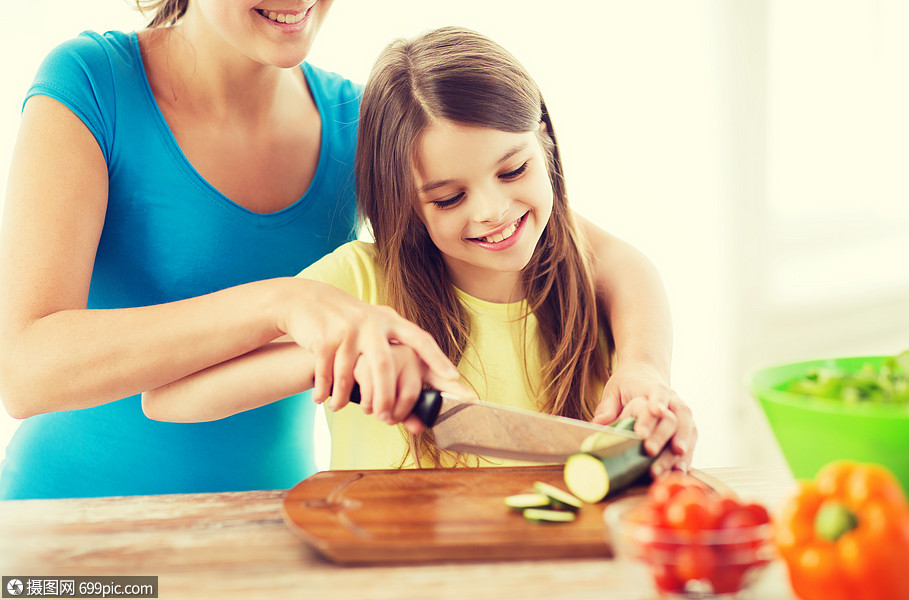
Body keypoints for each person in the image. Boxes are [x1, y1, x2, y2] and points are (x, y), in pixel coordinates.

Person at [141, 27, 697, 475]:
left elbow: (631, 266)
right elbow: (168, 397)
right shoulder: (359, 287)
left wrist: (647, 374)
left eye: (514, 169)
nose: (492, 211)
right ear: (404, 204)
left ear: (545, 143)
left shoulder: (589, 279)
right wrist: (338, 360)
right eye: (449, 197)